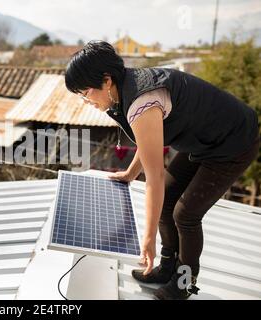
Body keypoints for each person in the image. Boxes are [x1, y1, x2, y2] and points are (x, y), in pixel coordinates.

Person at [64, 40, 260, 300]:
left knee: (185, 214)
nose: (85, 100)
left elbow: (154, 177)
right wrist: (131, 172)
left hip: (234, 141)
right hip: (204, 140)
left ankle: (184, 283)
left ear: (107, 80)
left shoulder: (141, 101)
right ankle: (168, 266)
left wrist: (148, 239)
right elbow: (149, 145)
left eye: (85, 92)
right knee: (168, 197)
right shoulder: (123, 91)